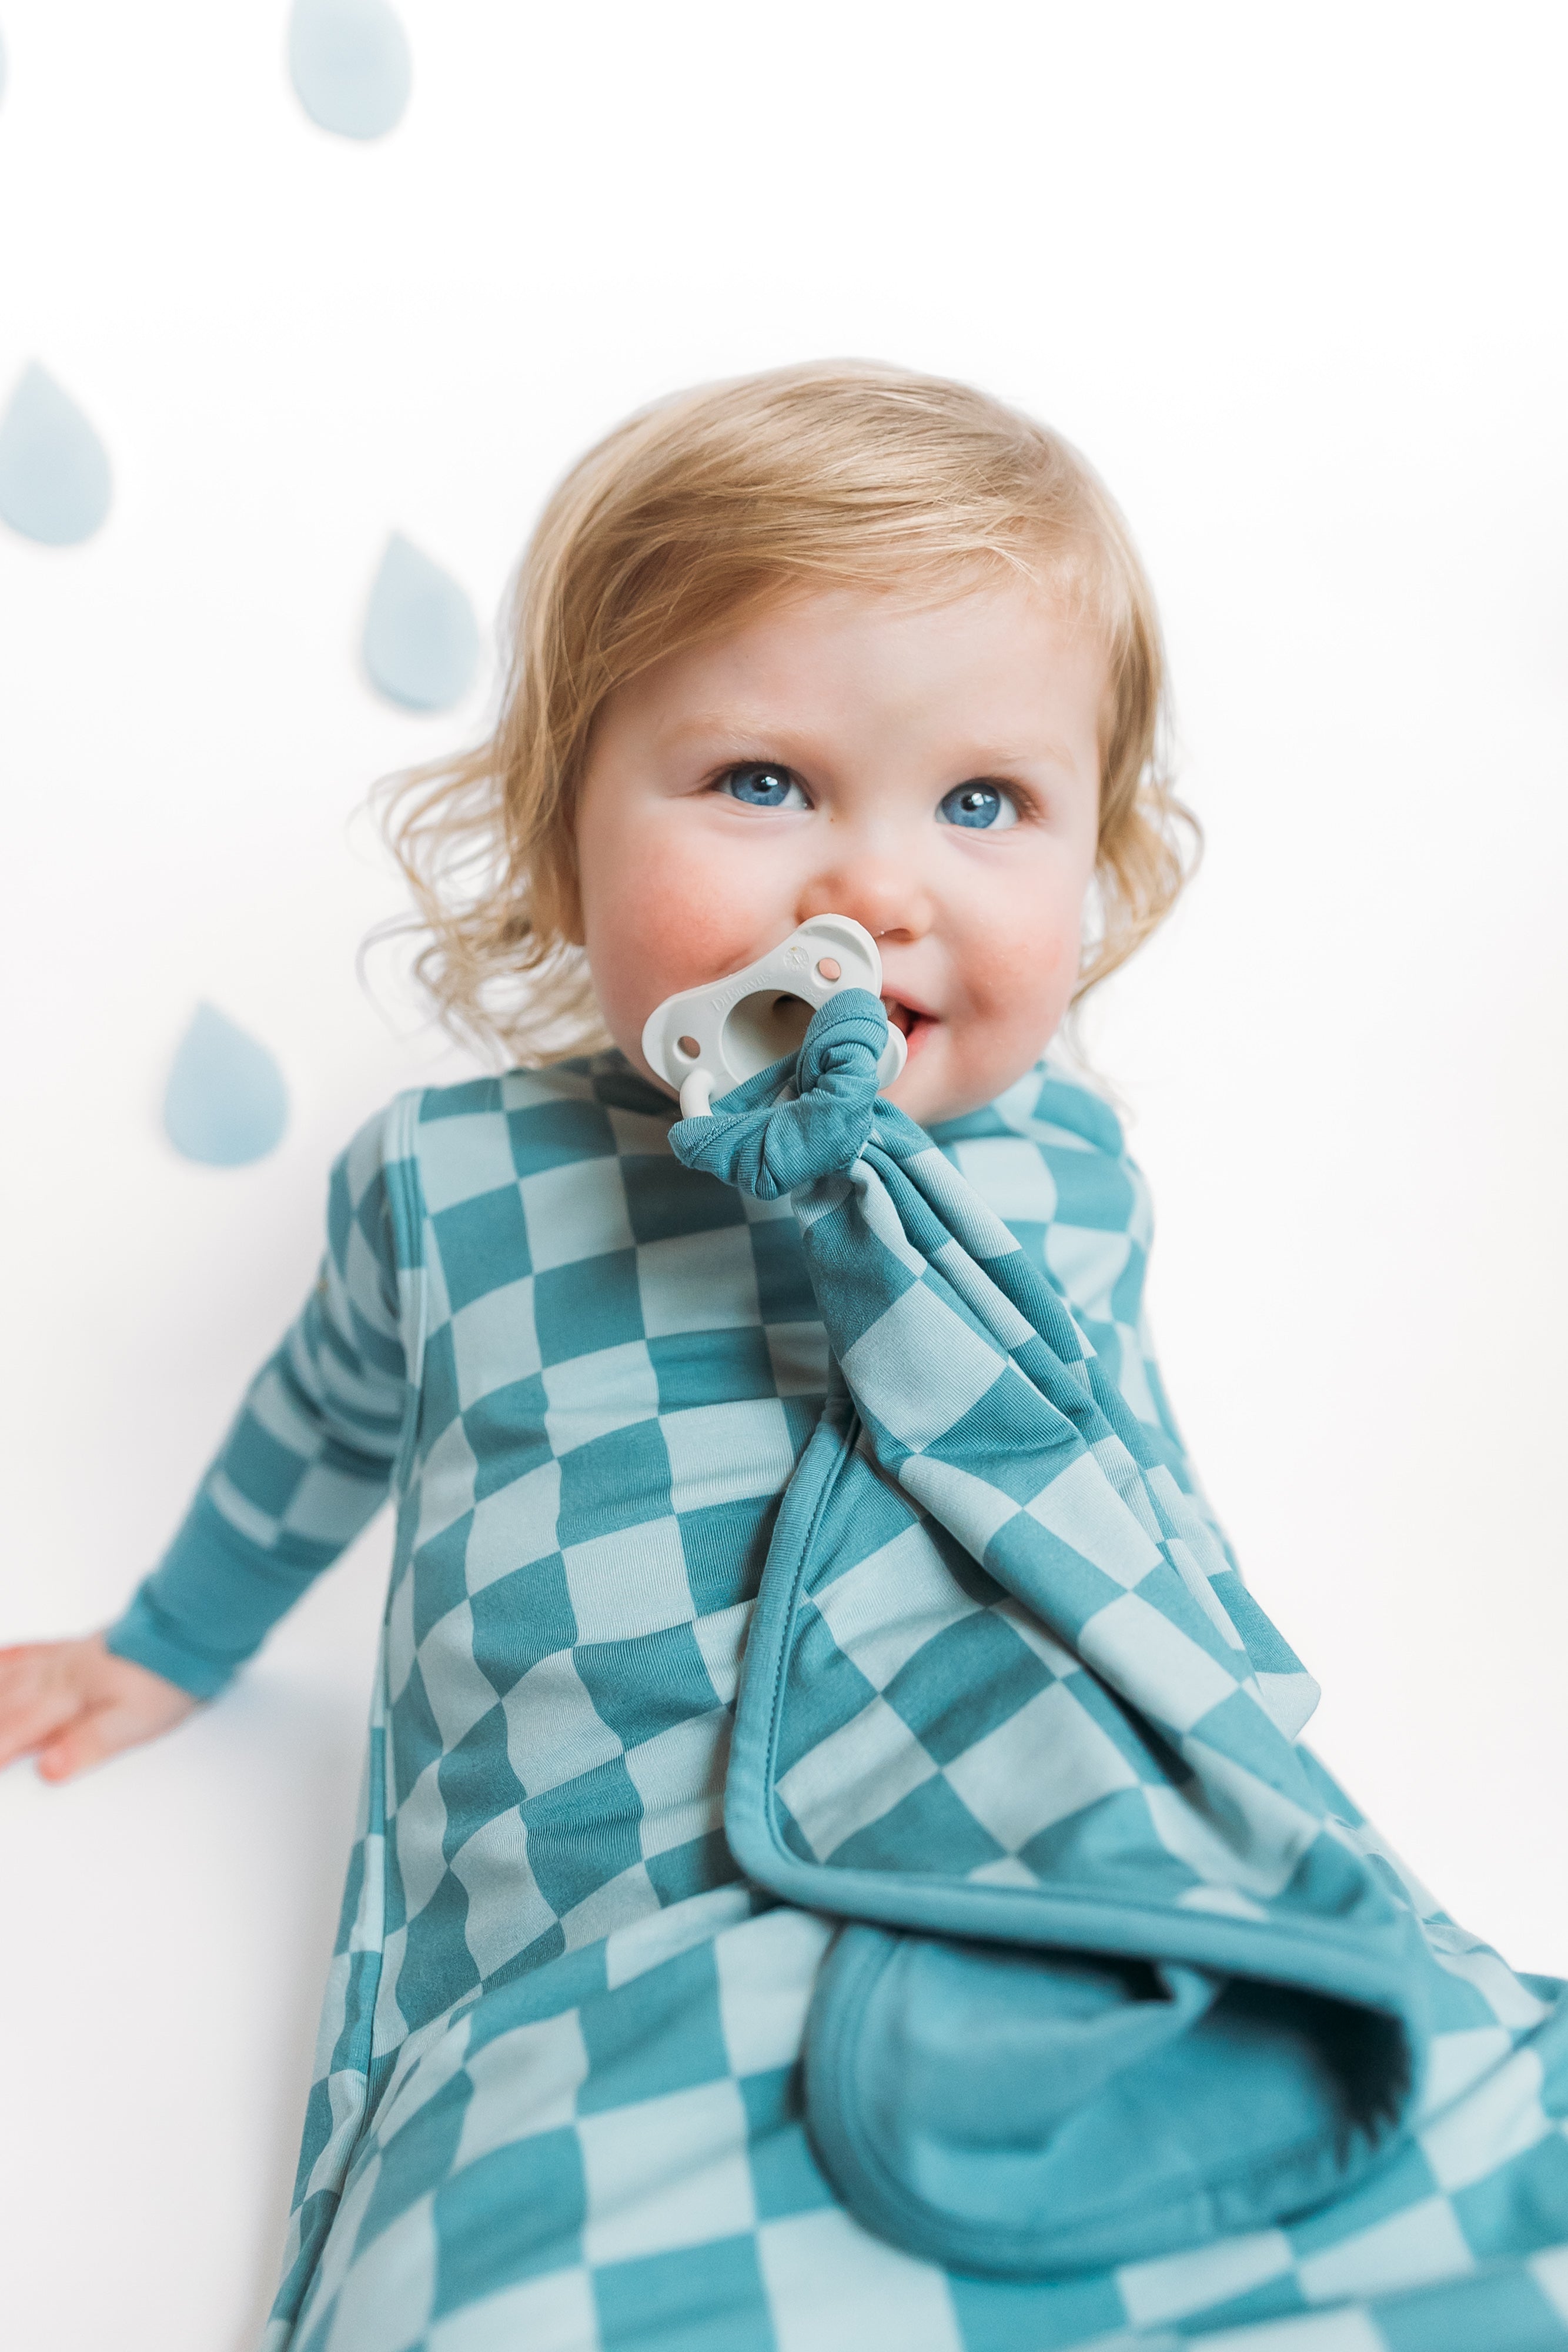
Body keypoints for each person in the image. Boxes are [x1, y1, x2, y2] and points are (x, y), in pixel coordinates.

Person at [4, 364, 1566, 2352]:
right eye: (762, 782)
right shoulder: (455, 1174)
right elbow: (320, 1420)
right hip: (622, 1942)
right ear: (556, 843)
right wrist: (167, 1644)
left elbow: (1131, 1501)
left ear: (1095, 868)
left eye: (983, 804)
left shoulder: (1072, 1173)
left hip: (1087, 1871)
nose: (873, 890)